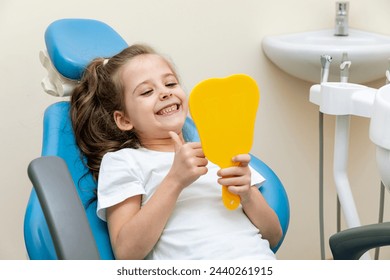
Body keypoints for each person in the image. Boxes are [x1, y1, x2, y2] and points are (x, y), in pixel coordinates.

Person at [70, 44, 282, 260]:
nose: (165, 92)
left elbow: (273, 237)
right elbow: (126, 253)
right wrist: (175, 180)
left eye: (170, 83)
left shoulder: (220, 152)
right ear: (124, 120)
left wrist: (247, 193)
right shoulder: (124, 161)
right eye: (147, 91)